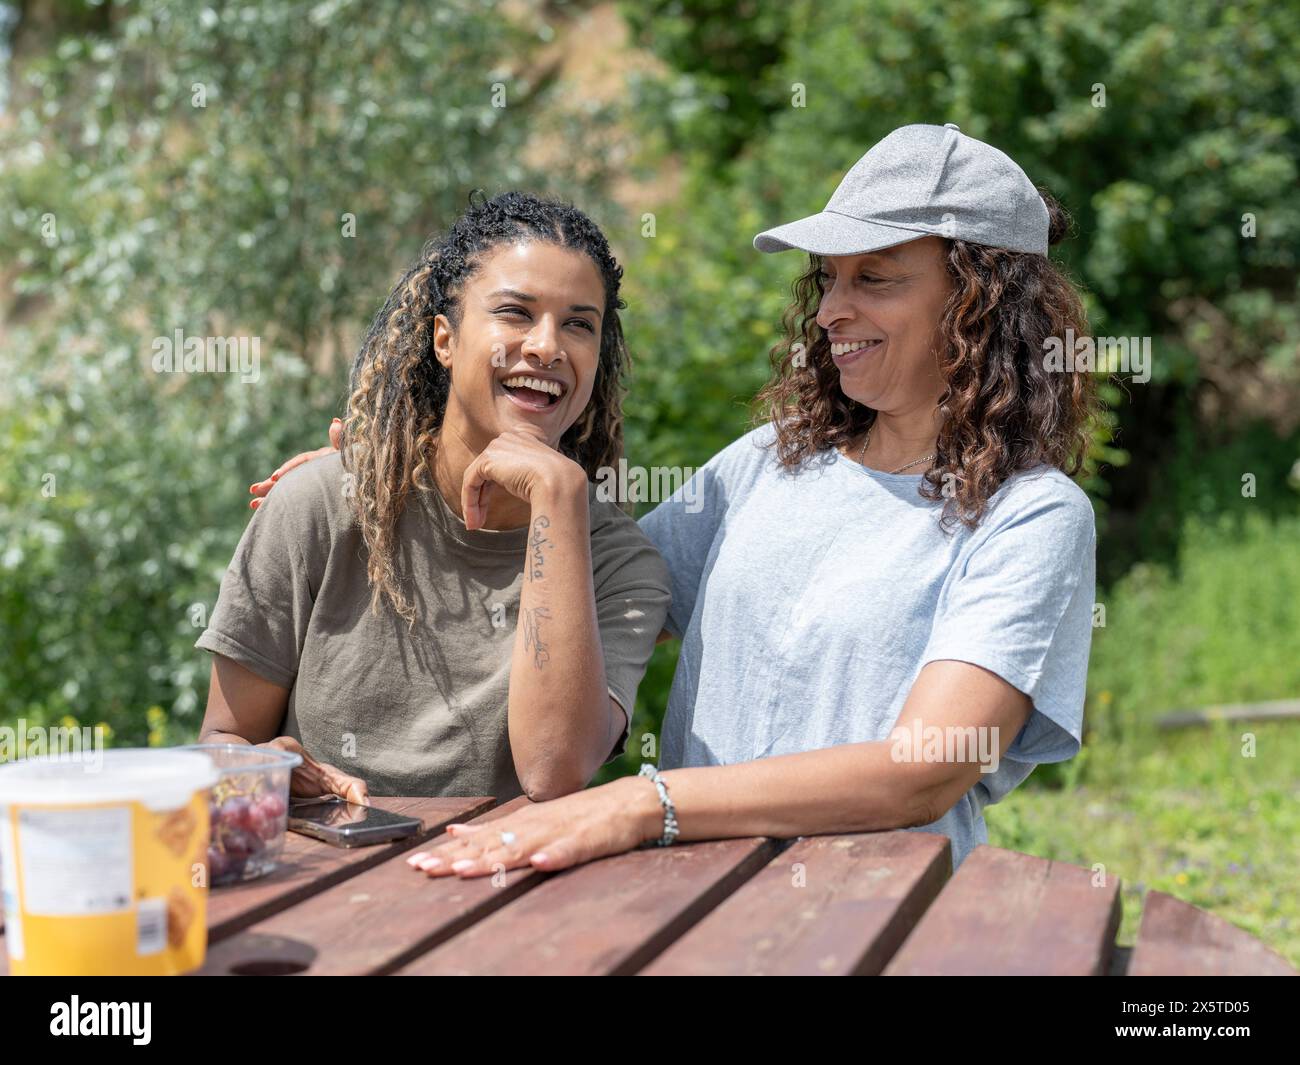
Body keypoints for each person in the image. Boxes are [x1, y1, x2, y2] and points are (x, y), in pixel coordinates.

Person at [257, 124, 1099, 875]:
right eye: (829, 279)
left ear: (981, 306)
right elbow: (572, 583)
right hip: (697, 914)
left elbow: (925, 767)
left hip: (876, 923)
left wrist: (640, 802)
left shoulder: (1032, 516)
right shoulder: (771, 463)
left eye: (874, 279)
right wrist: (404, 480)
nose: (833, 310)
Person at [196, 192, 671, 806]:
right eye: (515, 313)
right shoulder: (318, 506)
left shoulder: (622, 567)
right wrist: (261, 767)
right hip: (319, 883)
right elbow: (221, 742)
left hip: (504, 888)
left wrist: (558, 499)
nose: (547, 347)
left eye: (579, 324)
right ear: (444, 340)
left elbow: (553, 771)